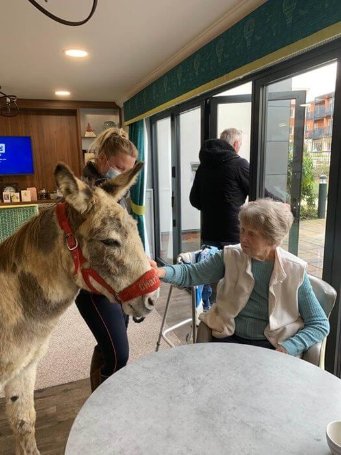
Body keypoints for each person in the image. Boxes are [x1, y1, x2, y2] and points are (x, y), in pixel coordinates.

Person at [155, 199, 329, 357]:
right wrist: (160, 272)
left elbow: (319, 324)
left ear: (272, 240)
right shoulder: (231, 255)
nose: (243, 239)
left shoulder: (294, 270)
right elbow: (192, 273)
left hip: (272, 346)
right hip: (229, 337)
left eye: (252, 234)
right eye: (243, 230)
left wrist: (288, 347)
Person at [76, 127, 137, 391]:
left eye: (128, 171)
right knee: (118, 354)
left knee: (109, 344)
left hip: (118, 281)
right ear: (102, 158)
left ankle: (101, 396)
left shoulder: (117, 189)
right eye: (119, 168)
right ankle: (104, 403)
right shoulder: (83, 194)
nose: (122, 175)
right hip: (95, 285)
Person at [189, 128, 248, 249]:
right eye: (240, 144)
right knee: (232, 267)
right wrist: (280, 202)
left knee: (210, 267)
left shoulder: (203, 165)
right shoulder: (239, 164)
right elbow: (259, 191)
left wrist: (210, 208)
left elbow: (194, 199)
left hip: (209, 233)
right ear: (236, 144)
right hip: (232, 234)